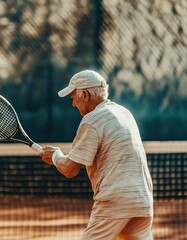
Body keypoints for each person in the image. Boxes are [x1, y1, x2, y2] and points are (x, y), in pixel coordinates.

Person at [40, 70, 154, 240]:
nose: (73, 104)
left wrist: (56, 156)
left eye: (73, 98)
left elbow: (70, 169)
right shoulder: (125, 113)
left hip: (115, 202)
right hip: (142, 201)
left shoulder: (92, 120)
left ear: (85, 95)